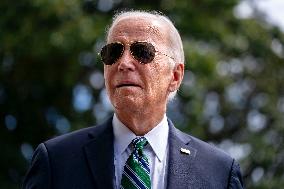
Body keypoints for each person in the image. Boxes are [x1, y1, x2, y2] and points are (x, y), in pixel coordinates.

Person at [23, 10, 244, 189]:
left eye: (142, 51)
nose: (124, 63)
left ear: (175, 76)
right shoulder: (56, 161)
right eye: (114, 52)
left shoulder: (219, 172)